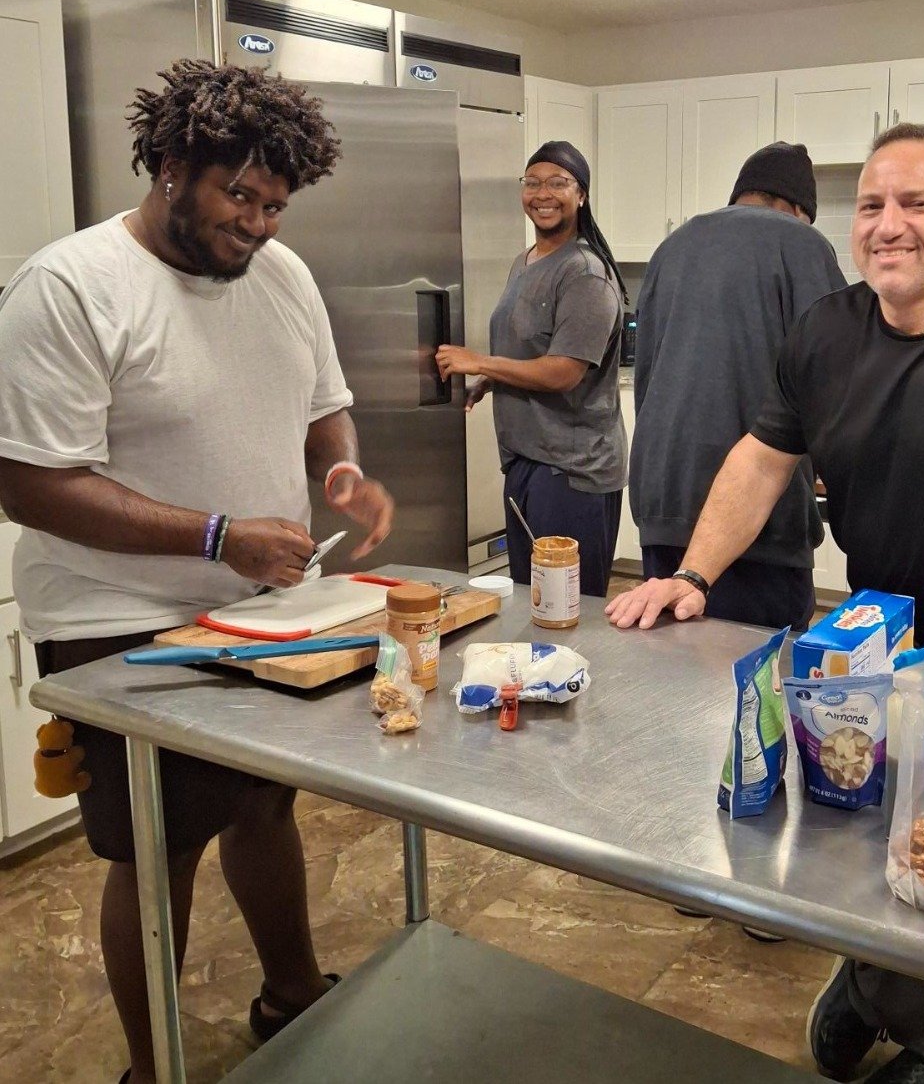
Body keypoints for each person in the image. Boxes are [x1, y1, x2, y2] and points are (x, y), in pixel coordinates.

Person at [607, 122, 924, 1084]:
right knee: (865, 847)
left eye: (919, 204)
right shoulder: (825, 331)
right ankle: (882, 991)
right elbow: (762, 455)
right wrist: (692, 576)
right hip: (875, 644)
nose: (888, 226)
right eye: (871, 204)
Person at [0, 59, 395, 1084]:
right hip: (118, 619)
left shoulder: (285, 275)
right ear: (172, 166)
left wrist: (340, 469)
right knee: (157, 846)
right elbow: (33, 485)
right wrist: (218, 536)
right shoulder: (71, 286)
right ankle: (155, 1068)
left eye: (275, 204)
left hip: (265, 607)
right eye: (241, 197)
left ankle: (293, 992)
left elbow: (321, 402)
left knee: (266, 806)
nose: (260, 224)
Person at [631, 141, 845, 632]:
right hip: (756, 513)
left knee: (669, 653)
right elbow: (832, 372)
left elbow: (645, 374)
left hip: (662, 496)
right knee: (757, 678)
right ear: (798, 209)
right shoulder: (803, 244)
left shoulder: (672, 246)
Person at [435, 140, 626, 597]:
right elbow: (531, 346)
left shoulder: (584, 272)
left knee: (568, 606)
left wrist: (480, 360)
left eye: (558, 183)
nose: (543, 193)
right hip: (528, 459)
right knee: (531, 598)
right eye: (533, 182)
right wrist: (492, 378)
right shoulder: (524, 262)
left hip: (571, 472)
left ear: (581, 195)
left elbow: (564, 372)